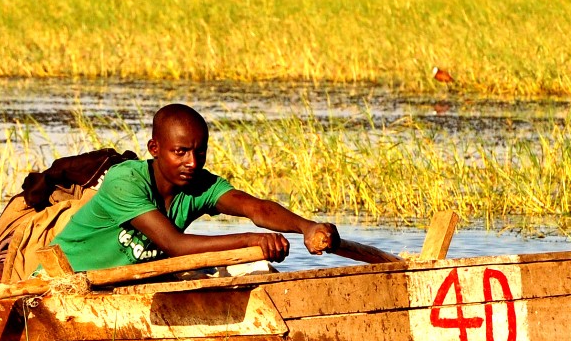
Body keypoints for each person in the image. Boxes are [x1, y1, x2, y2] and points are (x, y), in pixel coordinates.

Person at [51, 104, 352, 271]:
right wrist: (254, 240)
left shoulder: (198, 186)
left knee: (255, 273)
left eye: (200, 152)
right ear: (155, 148)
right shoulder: (125, 181)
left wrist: (308, 226)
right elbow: (176, 245)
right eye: (180, 152)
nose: (192, 162)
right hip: (67, 282)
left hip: (128, 284)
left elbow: (255, 207)